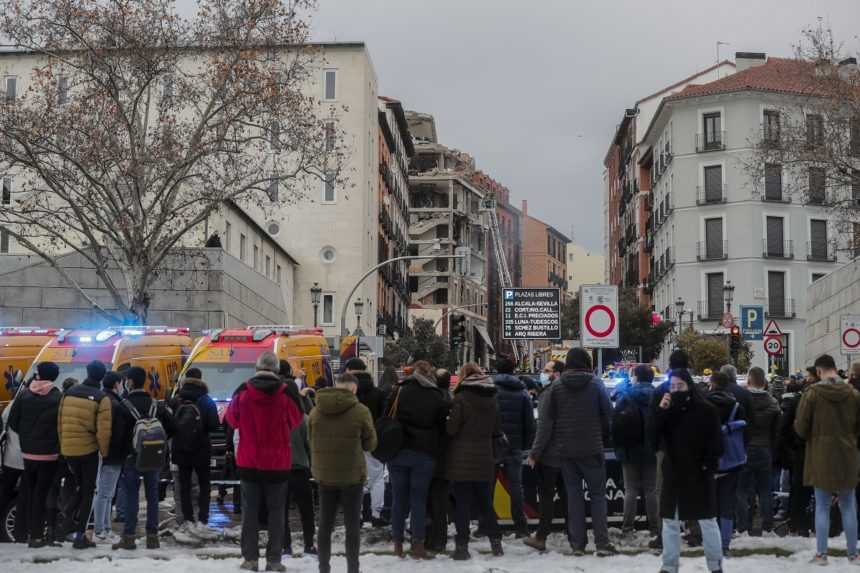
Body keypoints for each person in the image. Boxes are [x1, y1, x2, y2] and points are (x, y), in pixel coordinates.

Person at [527, 348, 615, 556]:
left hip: (565, 451)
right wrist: (602, 435)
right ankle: (602, 543)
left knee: (574, 497)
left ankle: (578, 544)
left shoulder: (555, 388)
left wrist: (535, 452)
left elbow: (545, 423)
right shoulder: (596, 384)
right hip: (592, 448)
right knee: (597, 496)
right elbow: (608, 414)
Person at [225, 352, 302, 572]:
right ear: (277, 370)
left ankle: (250, 559)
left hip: (249, 462)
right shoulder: (286, 393)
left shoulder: (242, 392)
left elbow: (231, 420)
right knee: (277, 513)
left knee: (249, 513)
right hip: (278, 463)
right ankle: (274, 560)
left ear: (257, 368)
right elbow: (296, 420)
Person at [794, 354, 860, 566]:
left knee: (821, 506)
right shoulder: (853, 394)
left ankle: (822, 555)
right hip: (848, 455)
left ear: (819, 371)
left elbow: (801, 428)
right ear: (835, 368)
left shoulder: (812, 394)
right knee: (848, 505)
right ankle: (853, 553)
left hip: (820, 455)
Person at [656, 369, 724, 573]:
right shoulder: (668, 410)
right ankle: (669, 566)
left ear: (689, 386)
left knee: (708, 520)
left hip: (699, 473)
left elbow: (716, 443)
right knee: (670, 520)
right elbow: (653, 438)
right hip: (674, 472)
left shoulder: (706, 409)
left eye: (680, 386)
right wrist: (661, 411)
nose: (676, 390)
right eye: (673, 386)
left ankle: (715, 565)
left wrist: (708, 466)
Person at [309, 373, 377, 573]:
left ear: (336, 386)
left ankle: (324, 568)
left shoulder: (316, 411)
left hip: (324, 475)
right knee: (352, 526)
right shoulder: (361, 411)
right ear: (354, 389)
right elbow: (370, 443)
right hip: (352, 476)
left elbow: (309, 439)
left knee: (325, 524)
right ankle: (353, 569)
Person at [386, 360, 449, 559]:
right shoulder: (436, 395)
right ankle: (418, 545)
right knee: (419, 500)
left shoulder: (398, 391)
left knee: (398, 499)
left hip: (398, 450)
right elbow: (442, 427)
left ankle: (397, 543)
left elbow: (386, 414)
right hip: (424, 453)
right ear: (430, 375)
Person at [113, 366, 175, 551]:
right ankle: (152, 536)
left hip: (131, 457)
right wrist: (159, 443)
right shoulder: (157, 405)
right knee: (152, 495)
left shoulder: (123, 406)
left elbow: (117, 434)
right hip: (153, 457)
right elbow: (174, 427)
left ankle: (129, 537)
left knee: (132, 496)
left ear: (129, 382)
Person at [446, 363, 504, 560]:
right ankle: (496, 542)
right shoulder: (493, 400)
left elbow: (451, 429)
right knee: (486, 503)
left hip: (461, 459)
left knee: (462, 504)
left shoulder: (460, 398)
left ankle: (462, 547)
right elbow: (496, 430)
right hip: (485, 458)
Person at [57, 359, 112, 549]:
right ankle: (80, 535)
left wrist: (63, 444)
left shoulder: (68, 393)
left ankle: (64, 525)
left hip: (68, 450)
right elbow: (104, 431)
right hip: (88, 451)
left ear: (87, 373)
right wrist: (104, 453)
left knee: (80, 488)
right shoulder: (101, 398)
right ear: (102, 377)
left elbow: (60, 422)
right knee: (87, 491)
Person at [7, 362, 62, 547]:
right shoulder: (58, 397)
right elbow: (62, 426)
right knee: (42, 494)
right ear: (54, 377)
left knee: (27, 492)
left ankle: (21, 532)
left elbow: (13, 422)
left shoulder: (24, 395)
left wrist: (27, 438)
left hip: (28, 454)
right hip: (50, 455)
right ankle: (37, 535)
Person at [613, 364, 659, 543]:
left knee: (630, 490)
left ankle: (627, 528)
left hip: (630, 449)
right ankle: (654, 527)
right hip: (652, 450)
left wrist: (619, 448)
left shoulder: (626, 395)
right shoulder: (658, 395)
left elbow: (615, 424)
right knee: (651, 490)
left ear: (636, 377)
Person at [170, 367, 219, 532]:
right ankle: (203, 519)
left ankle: (188, 519)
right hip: (201, 449)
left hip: (181, 449)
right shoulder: (206, 400)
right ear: (201, 379)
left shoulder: (177, 399)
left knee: (184, 486)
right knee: (205, 485)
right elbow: (214, 425)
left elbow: (169, 425)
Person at [491, 355, 534, 538]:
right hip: (514, 446)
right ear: (513, 370)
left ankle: (487, 524)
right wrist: (524, 445)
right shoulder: (522, 392)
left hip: (493, 444)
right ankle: (520, 526)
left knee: (488, 485)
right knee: (516, 486)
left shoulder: (490, 390)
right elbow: (529, 423)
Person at [705, 371, 747, 554]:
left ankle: (711, 542)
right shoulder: (737, 406)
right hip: (732, 459)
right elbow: (746, 431)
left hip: (710, 459)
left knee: (709, 503)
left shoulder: (704, 404)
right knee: (727, 502)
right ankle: (725, 543)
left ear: (712, 384)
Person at [736, 366, 781, 535]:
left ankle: (743, 525)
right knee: (764, 489)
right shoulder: (772, 403)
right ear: (764, 382)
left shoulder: (742, 400)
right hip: (764, 448)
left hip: (745, 448)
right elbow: (777, 430)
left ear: (749, 380)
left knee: (741, 489)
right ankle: (767, 524)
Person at [344, 358, 386, 527]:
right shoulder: (377, 392)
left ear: (349, 370)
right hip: (373, 439)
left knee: (355, 479)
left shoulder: (346, 394)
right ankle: (376, 513)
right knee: (377, 478)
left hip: (351, 441)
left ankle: (358, 514)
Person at [93, 372, 132, 543]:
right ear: (117, 384)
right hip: (112, 454)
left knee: (106, 493)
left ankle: (105, 528)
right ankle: (101, 529)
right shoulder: (114, 403)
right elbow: (117, 433)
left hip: (102, 452)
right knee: (105, 493)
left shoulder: (102, 399)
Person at [778, 375, 812, 536]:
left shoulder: (796, 402)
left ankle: (798, 523)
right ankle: (801, 523)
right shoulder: (798, 403)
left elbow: (784, 429)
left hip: (801, 453)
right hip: (806, 452)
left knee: (799, 489)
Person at [426, 368, 453, 553]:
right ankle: (441, 538)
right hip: (447, 455)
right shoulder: (451, 399)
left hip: (431, 453)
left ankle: (432, 538)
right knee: (441, 499)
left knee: (430, 498)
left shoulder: (433, 400)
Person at [284, 403, 315, 557]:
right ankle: (309, 544)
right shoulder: (303, 419)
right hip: (300, 469)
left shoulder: (275, 417)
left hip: (280, 470)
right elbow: (310, 445)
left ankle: (285, 546)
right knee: (306, 510)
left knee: (281, 511)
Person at [1, 379, 27, 543]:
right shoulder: (33, 404)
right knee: (25, 494)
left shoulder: (12, 405)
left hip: (10, 458)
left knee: (6, 491)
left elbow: (4, 425)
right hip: (28, 457)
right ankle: (20, 530)